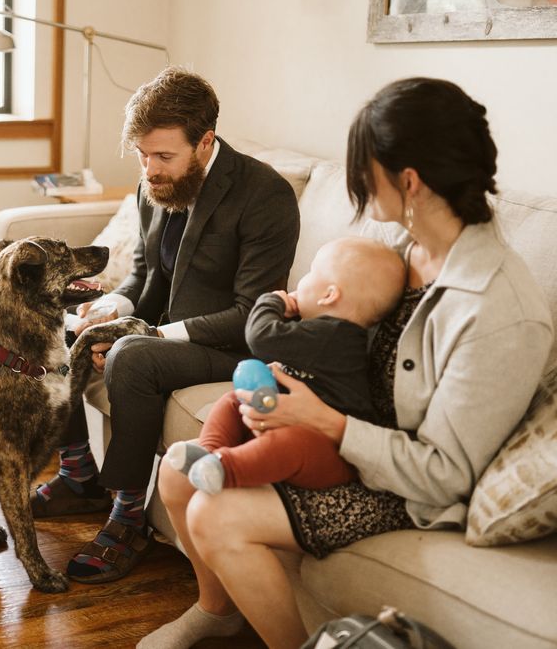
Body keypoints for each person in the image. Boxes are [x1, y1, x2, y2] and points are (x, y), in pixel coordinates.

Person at [138, 76, 554, 649]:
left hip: (401, 487)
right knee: (179, 470)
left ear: (407, 180)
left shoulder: (496, 309)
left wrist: (321, 421)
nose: (355, 181)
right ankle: (218, 610)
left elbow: (444, 475)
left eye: (364, 167)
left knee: (216, 515)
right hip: (345, 432)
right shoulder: (406, 251)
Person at [29, 67, 300, 584]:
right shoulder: (153, 183)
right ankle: (78, 475)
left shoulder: (264, 195)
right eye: (142, 154)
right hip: (166, 329)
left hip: (233, 345)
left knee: (132, 356)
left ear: (205, 142)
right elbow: (145, 274)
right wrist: (112, 306)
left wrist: (146, 334)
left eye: (163, 156)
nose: (149, 169)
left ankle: (129, 517)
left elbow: (250, 314)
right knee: (51, 328)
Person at [169, 236, 406, 495]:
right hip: (292, 420)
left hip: (331, 453)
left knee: (290, 443)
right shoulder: (329, 334)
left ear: (329, 295)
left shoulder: (333, 335)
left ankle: (226, 469)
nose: (301, 280)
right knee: (232, 401)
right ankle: (208, 453)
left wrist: (272, 301)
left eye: (311, 272)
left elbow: (260, 336)